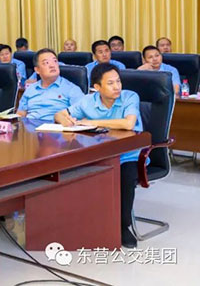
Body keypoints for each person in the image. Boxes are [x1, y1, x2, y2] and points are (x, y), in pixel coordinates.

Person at [54, 63, 143, 248]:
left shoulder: (130, 96)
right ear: (97, 87)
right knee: (68, 172)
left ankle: (122, 226)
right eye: (110, 83)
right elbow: (60, 114)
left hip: (128, 155)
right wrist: (66, 120)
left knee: (125, 178)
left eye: (118, 81)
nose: (117, 86)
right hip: (96, 154)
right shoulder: (88, 101)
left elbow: (128, 124)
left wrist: (91, 122)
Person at [17, 49, 84, 121]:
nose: (52, 65)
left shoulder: (72, 89)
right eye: (46, 63)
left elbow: (83, 116)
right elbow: (20, 115)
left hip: (56, 126)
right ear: (37, 70)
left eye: (55, 61)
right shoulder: (31, 89)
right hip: (31, 126)